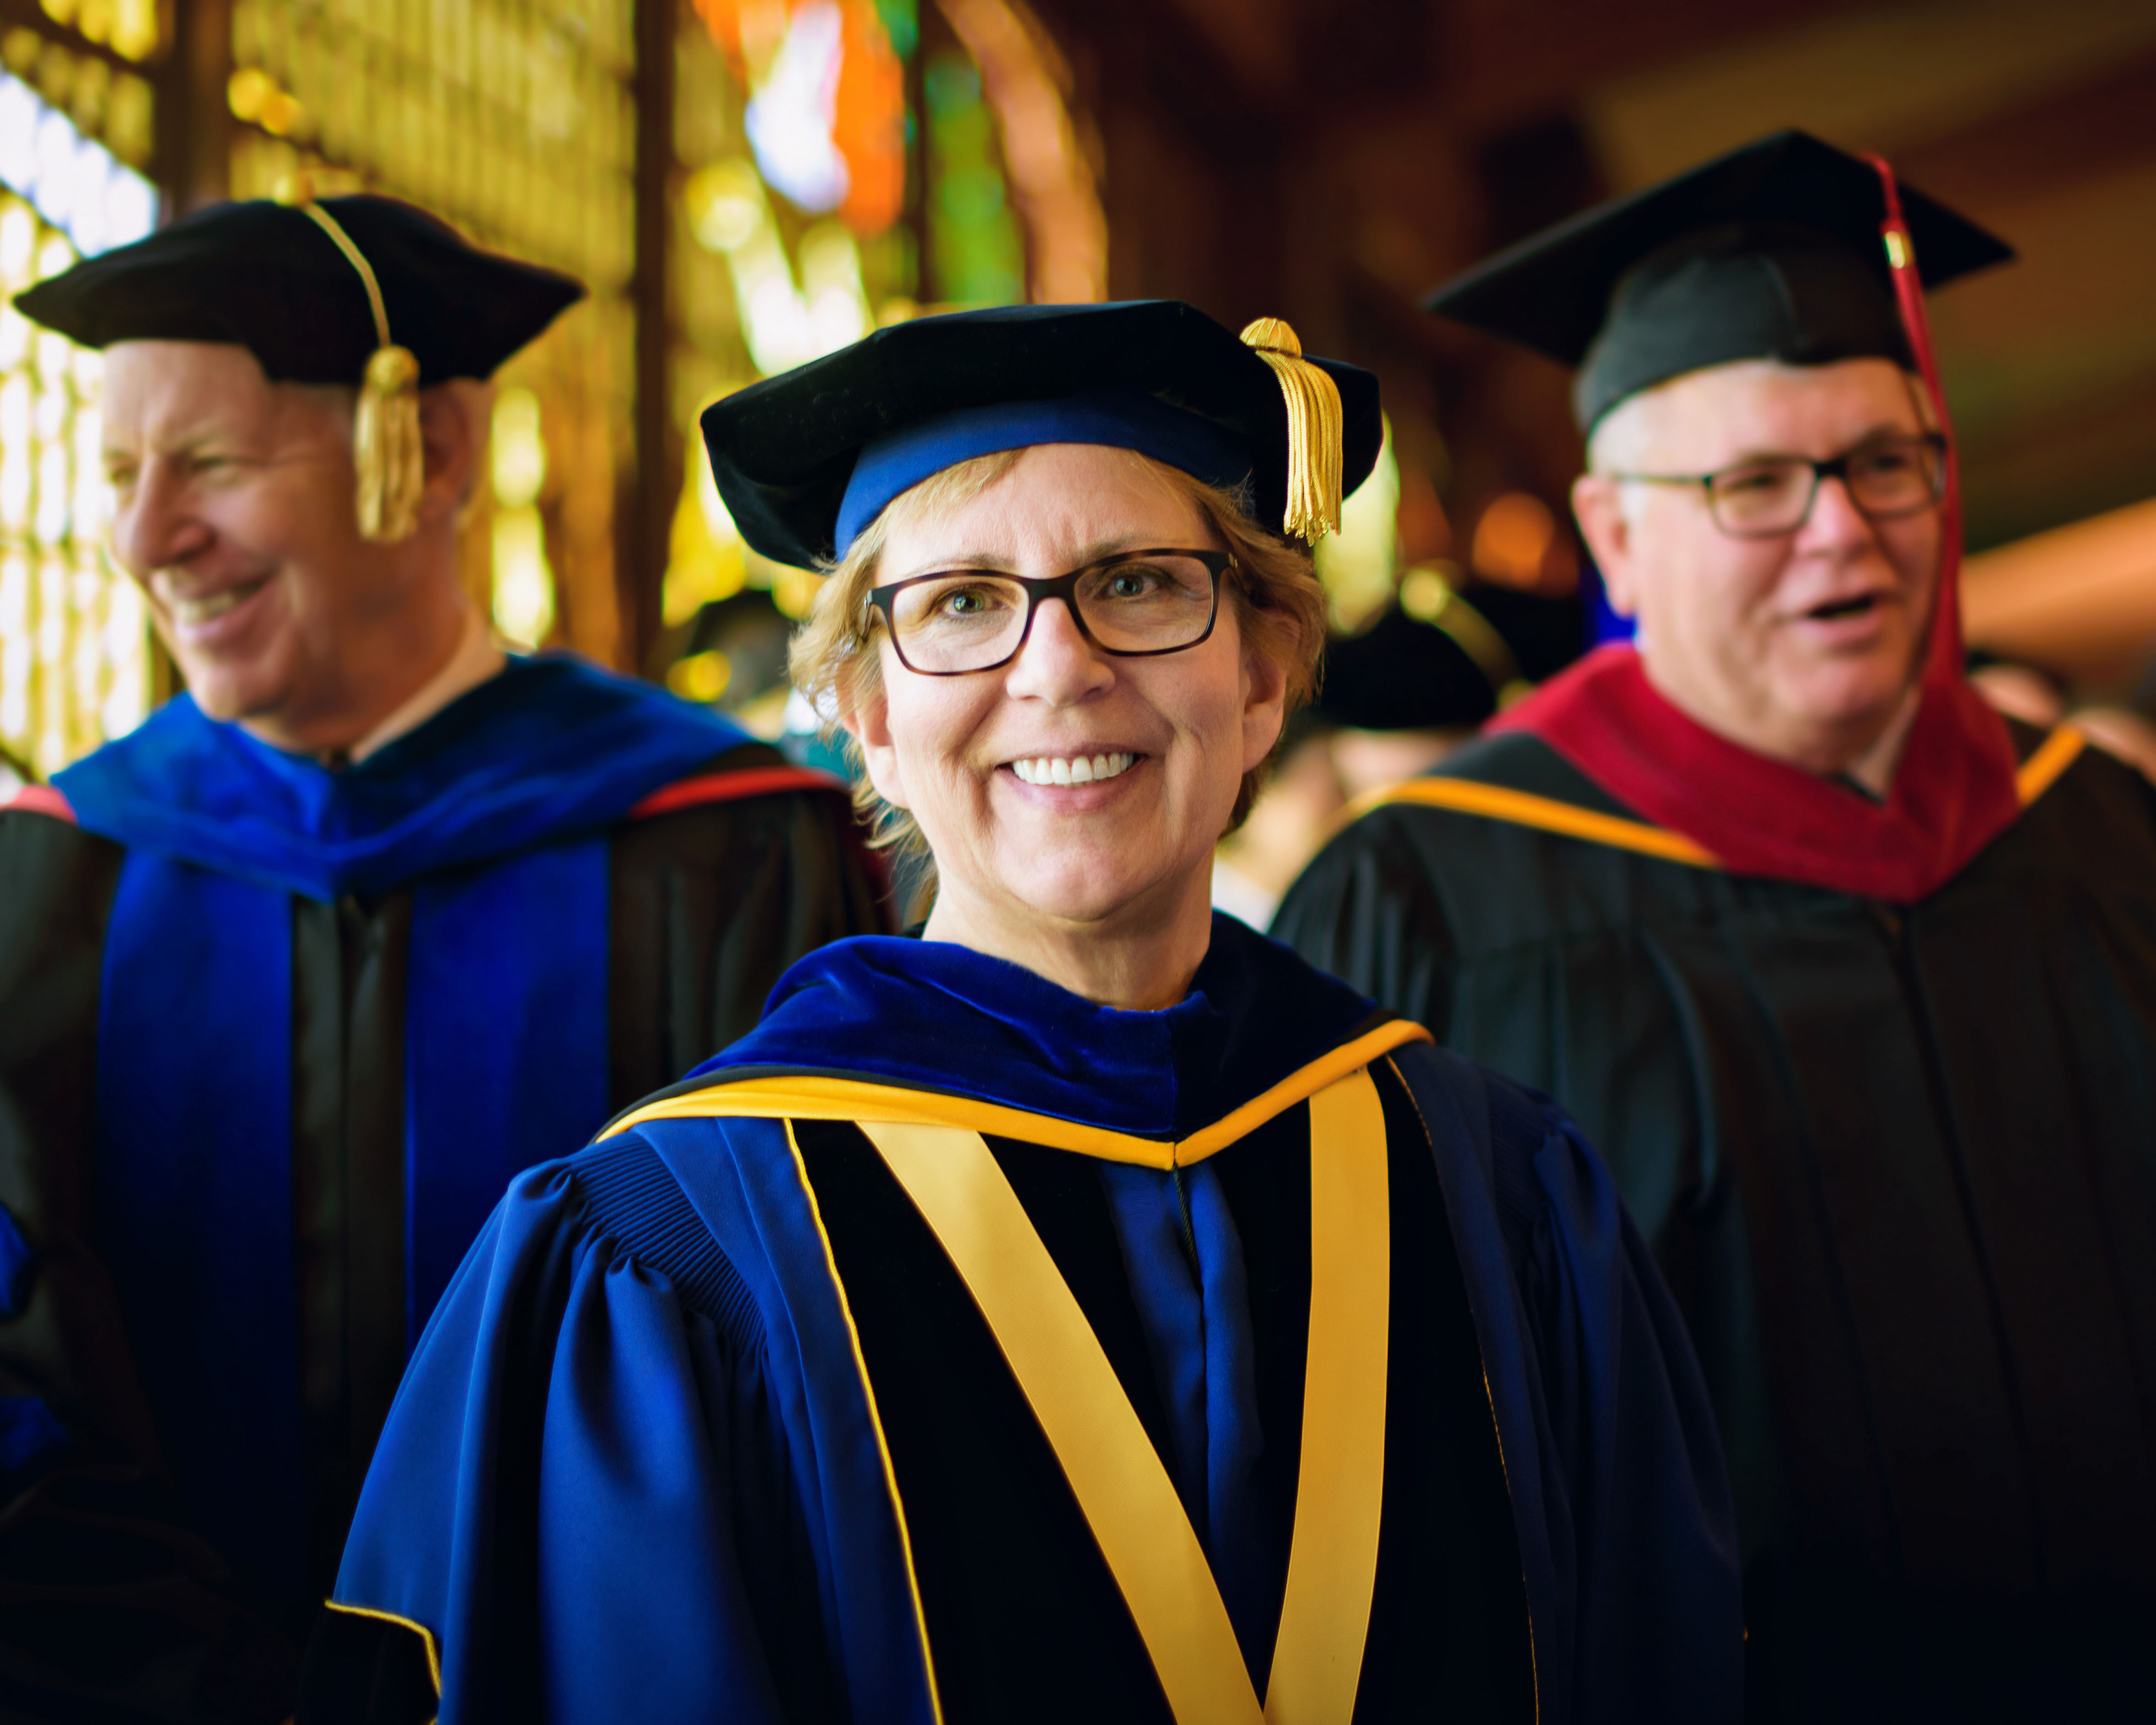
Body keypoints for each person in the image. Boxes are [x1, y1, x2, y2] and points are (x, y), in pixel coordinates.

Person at [306, 300, 1740, 1724]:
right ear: (868, 716)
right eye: (962, 605)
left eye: (1136, 583)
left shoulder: (1489, 1182)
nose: (1059, 668)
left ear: (1258, 677)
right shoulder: (680, 1250)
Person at [1274, 130, 2156, 1719]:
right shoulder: (1429, 900)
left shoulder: (2095, 825)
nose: (1841, 529)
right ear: (1615, 532)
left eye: (1884, 462)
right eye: (1753, 483)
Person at [0, 189, 883, 1720]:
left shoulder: (729, 848)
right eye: (123, 474)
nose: (149, 535)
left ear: (436, 455)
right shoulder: (52, 868)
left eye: (209, 463)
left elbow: (810, 1349)